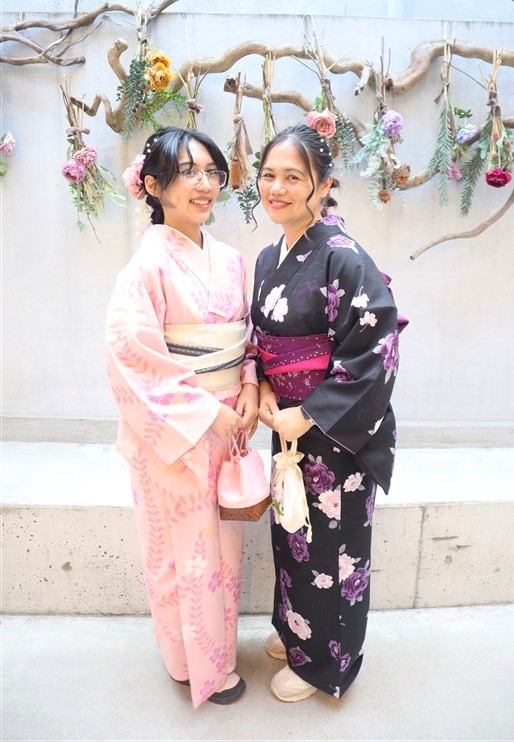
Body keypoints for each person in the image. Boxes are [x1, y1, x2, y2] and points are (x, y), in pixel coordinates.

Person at [251, 124, 407, 702]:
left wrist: (311, 413)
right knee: (293, 531)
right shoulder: (269, 256)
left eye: (294, 177)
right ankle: (298, 632)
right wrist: (264, 386)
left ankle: (327, 663)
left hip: (338, 434)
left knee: (330, 549)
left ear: (323, 186)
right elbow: (261, 339)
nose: (277, 188)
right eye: (269, 175)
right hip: (288, 426)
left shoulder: (343, 256)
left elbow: (376, 349)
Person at [105, 126, 258, 708]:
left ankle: (215, 653)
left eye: (211, 172)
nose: (204, 184)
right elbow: (131, 355)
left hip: (227, 424)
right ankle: (189, 663)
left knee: (220, 549)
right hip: (176, 430)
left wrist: (249, 386)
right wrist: (205, 410)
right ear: (153, 185)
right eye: (187, 172)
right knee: (178, 551)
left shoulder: (232, 261)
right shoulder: (144, 268)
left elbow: (246, 339)